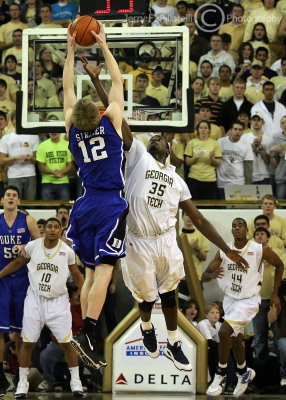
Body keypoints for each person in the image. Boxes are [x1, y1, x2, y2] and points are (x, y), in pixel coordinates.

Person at [80, 57, 250, 373]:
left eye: (162, 137)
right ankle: (147, 329)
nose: (157, 137)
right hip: (139, 241)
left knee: (169, 294)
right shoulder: (138, 158)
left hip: (166, 240)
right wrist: (97, 82)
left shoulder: (178, 179)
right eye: (155, 136)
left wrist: (226, 249)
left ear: (169, 150)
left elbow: (198, 220)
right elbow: (120, 122)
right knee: (145, 300)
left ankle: (172, 342)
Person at [63, 23, 128, 370]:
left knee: (89, 274)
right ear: (98, 114)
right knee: (104, 270)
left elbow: (67, 87)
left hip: (83, 204)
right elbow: (117, 85)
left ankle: (82, 330)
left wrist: (72, 50)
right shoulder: (112, 121)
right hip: (109, 203)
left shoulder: (72, 130)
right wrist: (103, 44)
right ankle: (88, 330)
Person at [0, 217, 84, 398]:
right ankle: (22, 383)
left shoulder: (67, 251)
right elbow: (18, 263)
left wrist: (85, 294)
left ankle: (76, 382)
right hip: (35, 299)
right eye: (50, 227)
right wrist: (1, 274)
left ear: (61, 231)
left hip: (58, 301)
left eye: (56, 227)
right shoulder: (33, 246)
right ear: (44, 230)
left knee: (67, 343)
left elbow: (76, 273)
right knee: (28, 342)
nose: (53, 229)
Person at [202, 217, 283, 397]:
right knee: (236, 338)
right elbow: (204, 275)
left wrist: (275, 293)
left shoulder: (258, 249)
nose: (237, 229)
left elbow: (279, 264)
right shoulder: (225, 251)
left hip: (249, 300)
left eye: (240, 226)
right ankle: (243, 372)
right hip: (230, 299)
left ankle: (220, 374)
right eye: (234, 226)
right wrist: (213, 274)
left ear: (247, 230)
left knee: (224, 333)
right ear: (231, 230)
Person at [0, 185, 40, 396]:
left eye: (14, 195)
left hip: (24, 280)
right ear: (2, 199)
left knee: (21, 331)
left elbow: (40, 247)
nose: (11, 198)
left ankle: (19, 372)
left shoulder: (28, 221)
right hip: (3, 280)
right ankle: (0, 374)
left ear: (19, 200)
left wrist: (27, 250)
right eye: (8, 195)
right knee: (1, 328)